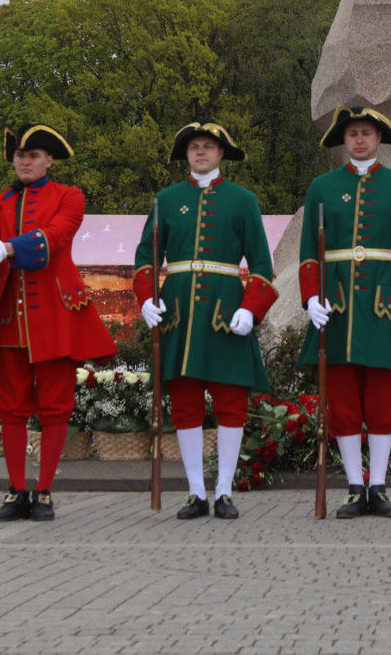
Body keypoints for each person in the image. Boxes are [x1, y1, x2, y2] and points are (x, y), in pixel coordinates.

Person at [0, 124, 116, 522]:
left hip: (56, 317)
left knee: (55, 408)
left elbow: (51, 241)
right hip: (8, 319)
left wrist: (7, 248)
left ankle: (46, 491)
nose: (24, 161)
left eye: (33, 155)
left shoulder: (70, 196)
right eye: (19, 156)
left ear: (49, 159)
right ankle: (17, 490)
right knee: (11, 408)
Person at [135, 121, 277, 520]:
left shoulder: (243, 200)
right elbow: (146, 257)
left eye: (208, 147)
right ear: (186, 154)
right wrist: (147, 299)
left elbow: (263, 263)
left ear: (221, 154)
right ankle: (197, 492)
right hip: (178, 314)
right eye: (194, 147)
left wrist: (251, 307)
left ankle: (225, 491)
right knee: (185, 404)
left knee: (232, 402)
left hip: (225, 310)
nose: (200, 152)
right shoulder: (165, 198)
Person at [297, 105, 391, 519]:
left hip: (384, 306)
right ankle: (355, 486)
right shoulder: (321, 186)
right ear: (344, 140)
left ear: (378, 138)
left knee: (383, 401)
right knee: (343, 404)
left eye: (366, 132)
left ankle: (378, 486)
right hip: (336, 307)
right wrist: (311, 297)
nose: (359, 139)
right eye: (352, 133)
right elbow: (308, 253)